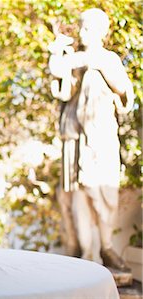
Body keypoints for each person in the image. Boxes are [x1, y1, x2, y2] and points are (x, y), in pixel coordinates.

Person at [48, 8, 134, 271]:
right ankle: (86, 254)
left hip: (100, 137)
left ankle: (106, 247)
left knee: (101, 194)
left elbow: (124, 92)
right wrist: (58, 52)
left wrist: (97, 65)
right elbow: (62, 87)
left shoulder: (107, 59)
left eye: (88, 28)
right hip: (76, 137)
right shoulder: (77, 60)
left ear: (100, 32)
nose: (82, 33)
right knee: (78, 197)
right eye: (81, 27)